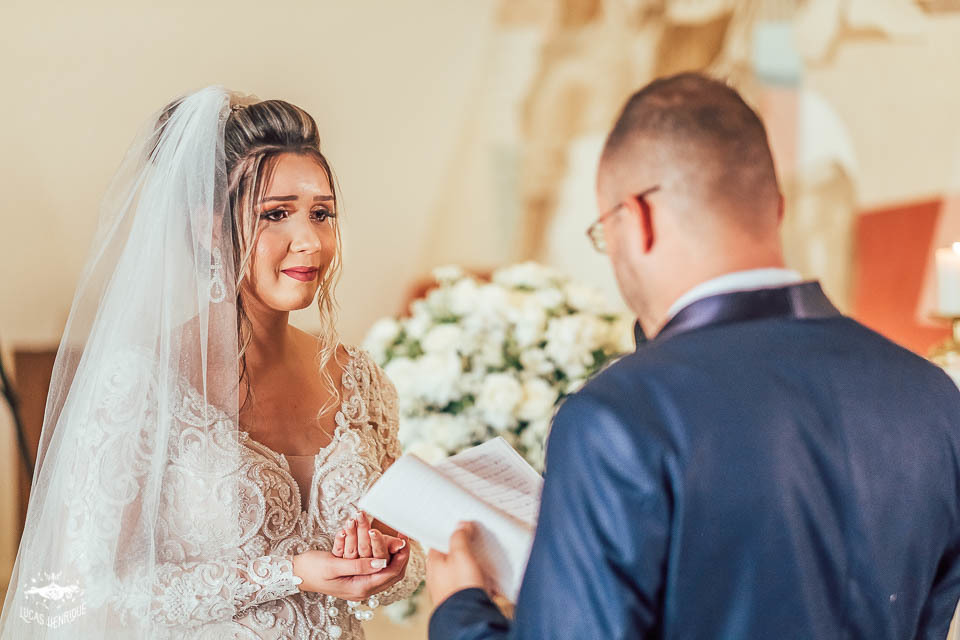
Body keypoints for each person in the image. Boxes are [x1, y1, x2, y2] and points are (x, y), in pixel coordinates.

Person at [426, 72, 960, 639]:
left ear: (638, 218)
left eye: (604, 232)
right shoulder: (933, 396)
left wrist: (461, 610)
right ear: (776, 209)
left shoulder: (619, 417)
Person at [0, 86, 423, 639]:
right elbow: (89, 589)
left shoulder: (359, 380)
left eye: (321, 214)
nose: (310, 241)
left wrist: (388, 561)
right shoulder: (141, 382)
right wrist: (289, 572)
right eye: (276, 214)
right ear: (210, 226)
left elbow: (410, 561)